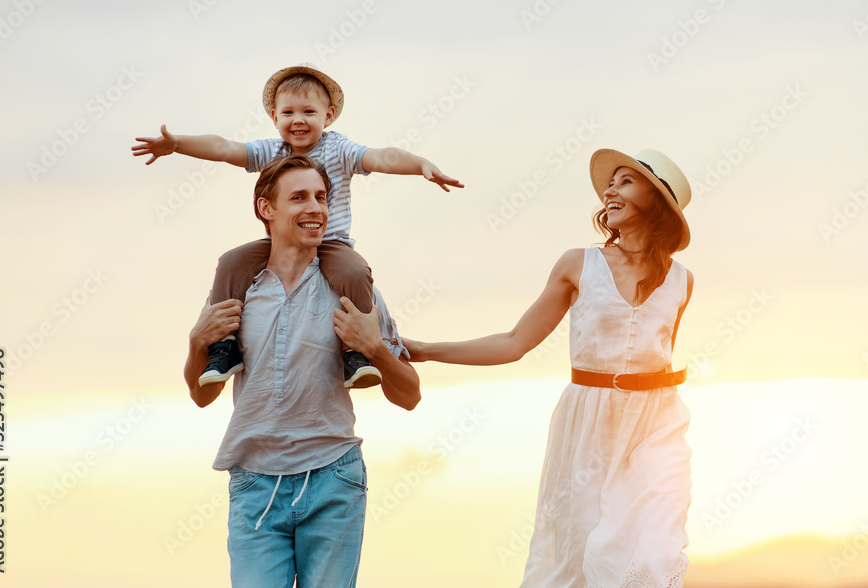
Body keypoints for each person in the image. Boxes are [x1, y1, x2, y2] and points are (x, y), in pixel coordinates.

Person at [406, 148, 695, 587]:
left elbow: (657, 357)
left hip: (658, 423)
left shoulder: (682, 280)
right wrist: (426, 349)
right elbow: (514, 342)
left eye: (625, 182)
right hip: (587, 425)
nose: (609, 191)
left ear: (656, 201)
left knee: (656, 550)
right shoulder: (578, 265)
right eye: (610, 183)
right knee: (579, 558)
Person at [136, 63, 462, 389]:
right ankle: (224, 346)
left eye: (309, 111)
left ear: (328, 116)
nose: (298, 120)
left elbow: (381, 156)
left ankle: (355, 352)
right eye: (288, 112)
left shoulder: (338, 148)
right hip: (281, 243)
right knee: (231, 262)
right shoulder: (271, 151)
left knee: (354, 270)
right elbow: (225, 148)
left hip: (330, 242)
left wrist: (420, 165)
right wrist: (177, 143)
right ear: (275, 118)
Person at [184, 154, 421, 588]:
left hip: (334, 479)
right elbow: (201, 396)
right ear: (266, 209)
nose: (315, 208)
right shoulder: (238, 291)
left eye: (321, 197)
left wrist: (375, 350)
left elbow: (409, 395)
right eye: (299, 198)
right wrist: (196, 343)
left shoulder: (353, 289)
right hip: (255, 485)